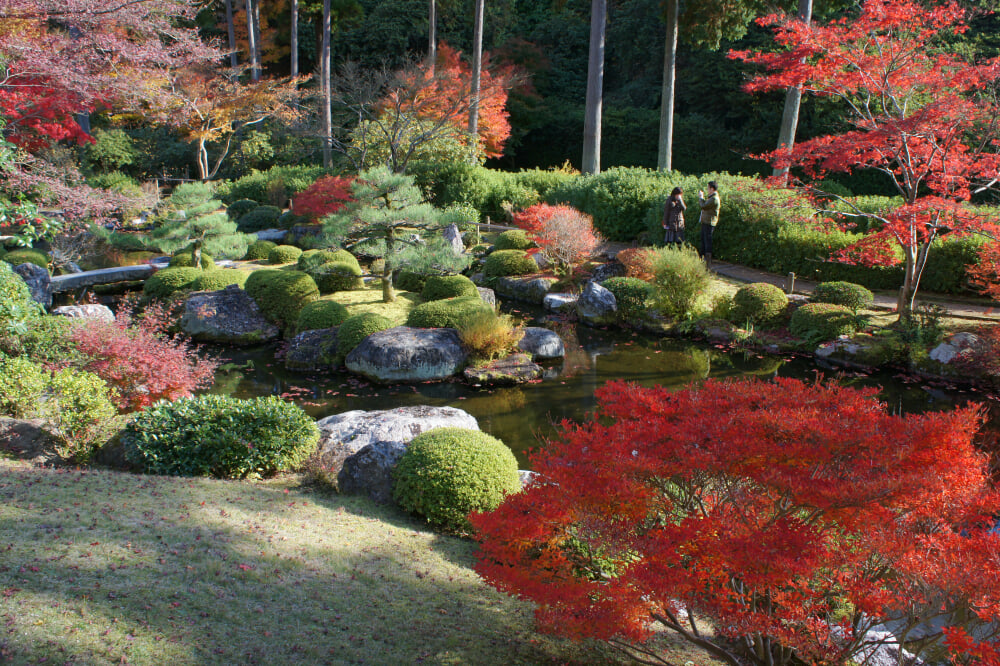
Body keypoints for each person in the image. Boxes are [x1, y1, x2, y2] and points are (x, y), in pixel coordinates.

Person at [698, 181, 721, 268]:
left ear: (712, 189)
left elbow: (703, 206)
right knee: (703, 241)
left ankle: (708, 262)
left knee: (707, 242)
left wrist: (701, 197)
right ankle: (703, 259)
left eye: (708, 188)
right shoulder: (711, 197)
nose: (707, 190)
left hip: (709, 223)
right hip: (706, 222)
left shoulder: (714, 199)